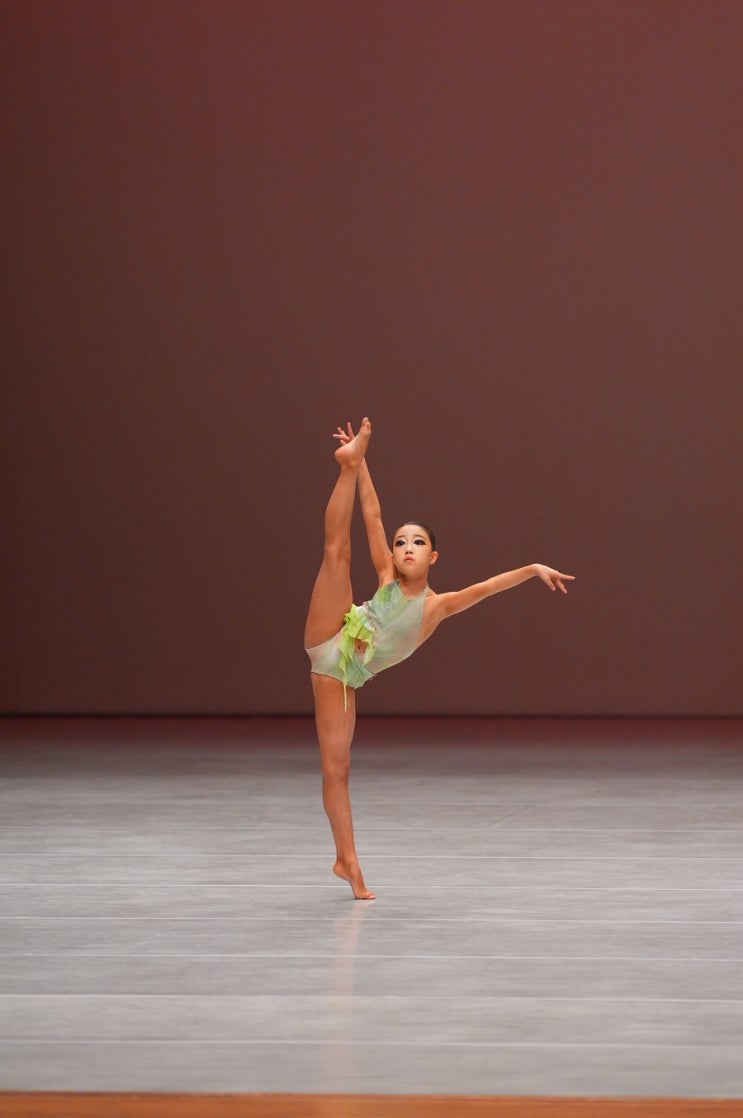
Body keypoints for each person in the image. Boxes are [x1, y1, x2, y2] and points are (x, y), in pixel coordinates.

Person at [304, 417, 574, 900]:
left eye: (418, 542)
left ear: (433, 557)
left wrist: (533, 568)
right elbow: (372, 515)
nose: (406, 548)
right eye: (401, 542)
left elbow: (487, 587)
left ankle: (346, 860)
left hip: (341, 677)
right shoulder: (386, 577)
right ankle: (344, 467)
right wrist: (360, 464)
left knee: (337, 771)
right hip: (333, 632)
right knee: (337, 554)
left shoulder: (437, 607)